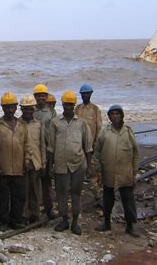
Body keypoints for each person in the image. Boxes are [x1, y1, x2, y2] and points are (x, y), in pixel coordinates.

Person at [48, 90, 92, 235]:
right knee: (61, 194)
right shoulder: (55, 123)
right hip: (60, 163)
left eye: (70, 104)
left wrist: (89, 166)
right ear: (62, 104)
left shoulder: (81, 123)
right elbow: (51, 147)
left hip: (79, 163)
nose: (68, 107)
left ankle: (75, 222)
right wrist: (49, 166)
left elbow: (88, 146)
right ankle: (64, 220)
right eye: (66, 104)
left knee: (76, 193)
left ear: (73, 105)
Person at [94, 104, 140, 237]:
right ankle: (106, 223)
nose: (115, 116)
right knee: (108, 200)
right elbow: (97, 153)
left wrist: (133, 172)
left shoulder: (128, 132)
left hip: (125, 173)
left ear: (121, 116)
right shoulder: (105, 132)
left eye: (117, 114)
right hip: (108, 172)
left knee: (128, 200)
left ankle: (130, 226)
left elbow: (136, 154)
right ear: (109, 117)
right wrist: (99, 171)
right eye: (112, 114)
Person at [0, 92, 33, 230]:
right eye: (7, 107)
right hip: (3, 167)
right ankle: (2, 221)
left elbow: (27, 145)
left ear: (16, 108)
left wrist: (27, 160)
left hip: (19, 168)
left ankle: (16, 220)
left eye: (12, 107)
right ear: (2, 107)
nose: (10, 110)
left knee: (19, 195)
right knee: (2, 197)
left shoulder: (22, 125)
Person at [74, 84, 103, 205]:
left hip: (91, 145)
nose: (85, 95)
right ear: (80, 95)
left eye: (87, 93)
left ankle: (97, 194)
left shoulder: (95, 109)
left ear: (91, 94)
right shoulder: (77, 109)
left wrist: (96, 144)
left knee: (92, 171)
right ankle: (77, 195)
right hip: (78, 145)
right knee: (77, 169)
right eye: (83, 94)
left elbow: (99, 127)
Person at [19, 95, 45, 224]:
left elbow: (42, 145)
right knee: (24, 190)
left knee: (35, 189)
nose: (28, 112)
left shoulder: (38, 124)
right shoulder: (18, 124)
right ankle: (24, 215)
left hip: (36, 162)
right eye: (25, 109)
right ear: (21, 109)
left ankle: (35, 214)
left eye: (30, 109)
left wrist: (44, 163)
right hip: (22, 163)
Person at [33, 84, 57, 220]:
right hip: (35, 150)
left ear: (46, 97)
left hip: (48, 150)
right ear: (35, 97)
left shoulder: (51, 112)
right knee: (34, 181)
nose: (41, 98)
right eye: (38, 95)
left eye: (43, 95)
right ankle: (35, 210)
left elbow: (54, 132)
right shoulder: (31, 111)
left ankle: (49, 209)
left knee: (47, 180)